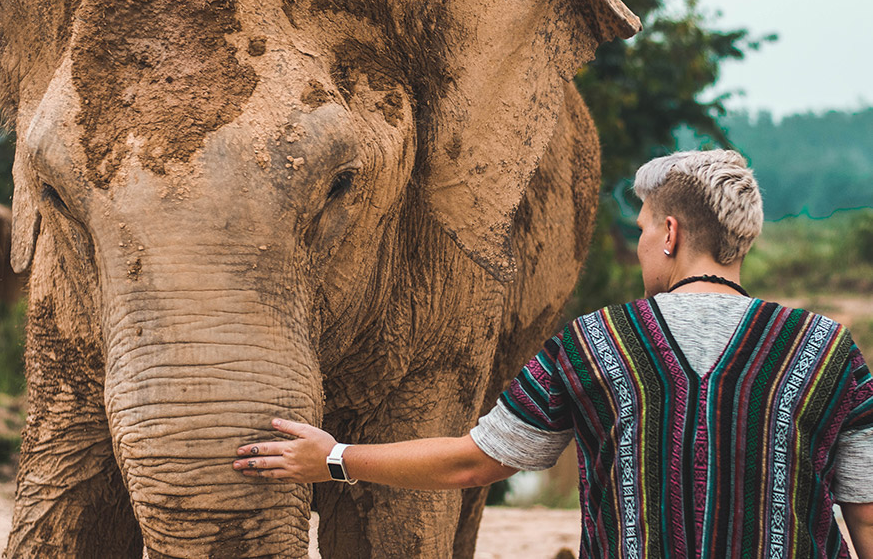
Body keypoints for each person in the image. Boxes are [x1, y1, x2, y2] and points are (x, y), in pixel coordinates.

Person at [233, 149, 873, 557]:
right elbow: (866, 517)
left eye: (645, 226)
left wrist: (335, 458)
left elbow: (472, 464)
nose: (644, 242)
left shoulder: (594, 345)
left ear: (672, 233)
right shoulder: (830, 350)